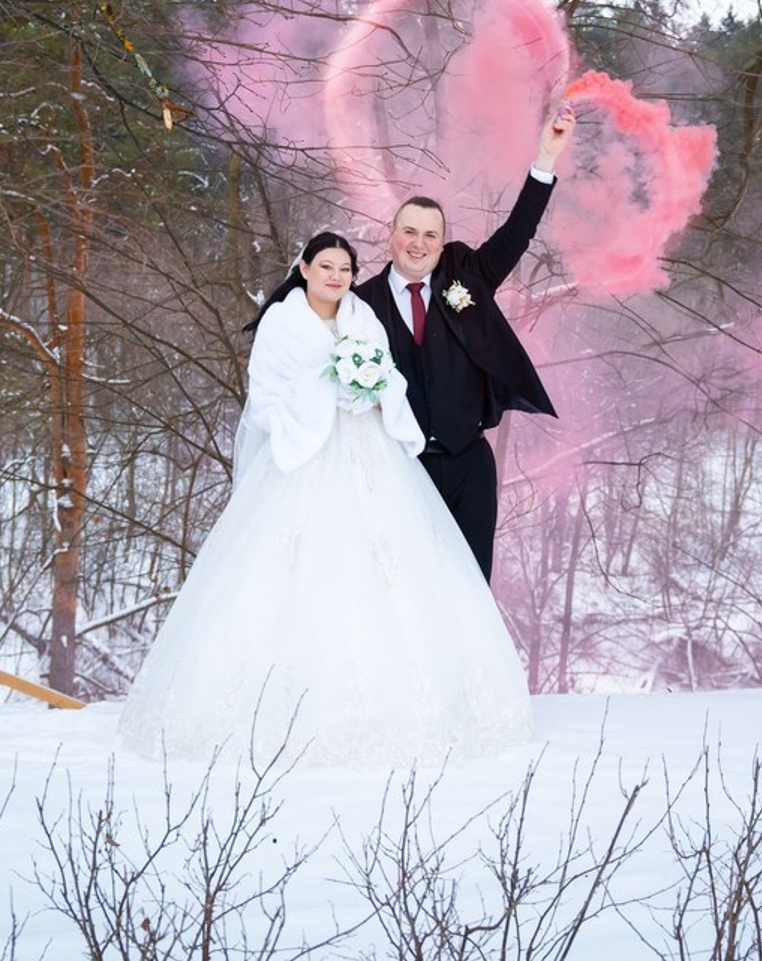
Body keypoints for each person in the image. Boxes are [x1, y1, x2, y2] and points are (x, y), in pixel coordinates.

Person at [118, 232, 533, 769]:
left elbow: (389, 380)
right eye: (327, 266)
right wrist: (324, 387)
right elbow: (265, 398)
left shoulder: (363, 317)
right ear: (305, 267)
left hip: (369, 453)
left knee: (388, 571)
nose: (336, 277)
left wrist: (367, 387)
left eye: (345, 268)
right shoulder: (281, 323)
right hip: (302, 457)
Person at [353, 108, 575, 582]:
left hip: (469, 464)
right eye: (409, 231)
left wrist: (546, 158)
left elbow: (517, 235)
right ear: (391, 236)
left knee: (469, 589)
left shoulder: (466, 278)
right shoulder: (361, 305)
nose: (419, 243)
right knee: (402, 590)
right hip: (398, 469)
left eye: (430, 234)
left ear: (442, 241)